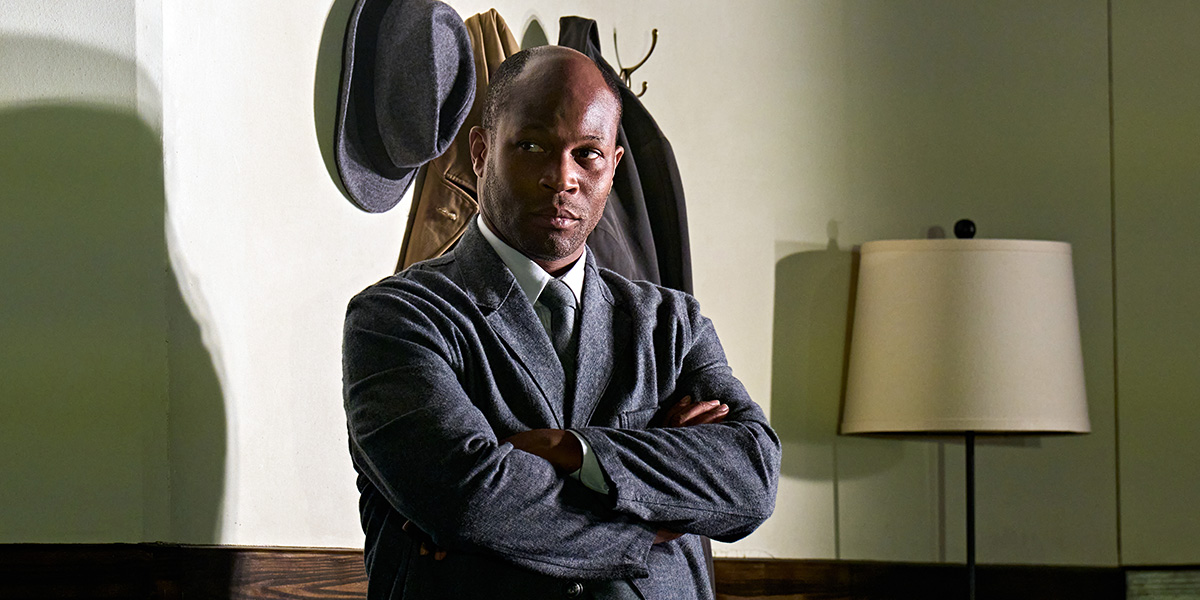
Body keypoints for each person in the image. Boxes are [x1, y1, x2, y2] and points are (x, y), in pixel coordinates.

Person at [342, 45, 780, 600]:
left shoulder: (672, 324)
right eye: (531, 146)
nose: (561, 177)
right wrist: (657, 521)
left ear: (614, 166)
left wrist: (571, 451)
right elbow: (470, 500)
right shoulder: (398, 319)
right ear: (480, 152)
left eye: (587, 154)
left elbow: (752, 478)